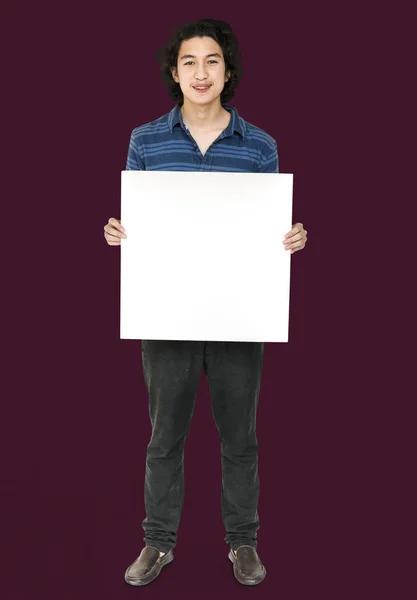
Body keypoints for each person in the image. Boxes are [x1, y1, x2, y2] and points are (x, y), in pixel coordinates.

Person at [104, 18, 307, 587]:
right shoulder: (145, 141)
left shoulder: (259, 145)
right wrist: (120, 232)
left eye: (212, 61)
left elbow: (268, 231)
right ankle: (157, 542)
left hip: (239, 314)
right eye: (189, 61)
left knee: (239, 436)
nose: (201, 72)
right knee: (164, 435)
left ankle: (243, 543)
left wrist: (288, 238)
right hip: (166, 311)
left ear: (227, 71)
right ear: (175, 72)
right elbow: (140, 220)